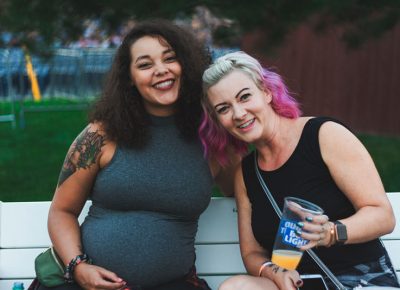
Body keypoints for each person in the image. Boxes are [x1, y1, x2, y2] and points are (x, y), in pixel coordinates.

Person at [30, 19, 239, 290]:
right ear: (129, 78)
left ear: (186, 65)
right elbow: (62, 211)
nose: (161, 70)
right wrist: (78, 267)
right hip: (85, 284)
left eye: (170, 58)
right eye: (145, 64)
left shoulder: (212, 139)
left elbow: (248, 192)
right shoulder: (101, 135)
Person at [199, 51, 400, 289]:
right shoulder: (246, 174)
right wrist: (276, 273)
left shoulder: (324, 135)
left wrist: (330, 232)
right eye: (223, 109)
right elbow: (252, 253)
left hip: (360, 280)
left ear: (266, 92)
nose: (238, 114)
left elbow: (382, 215)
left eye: (244, 97)